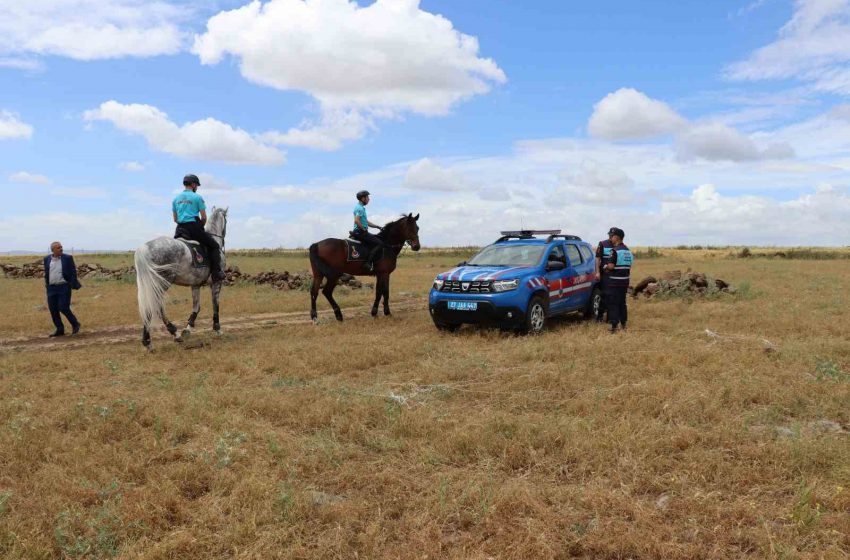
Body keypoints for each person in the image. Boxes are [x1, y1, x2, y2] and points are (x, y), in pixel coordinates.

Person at [172, 174, 226, 281]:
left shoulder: (176, 199)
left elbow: (175, 219)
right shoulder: (197, 197)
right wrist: (200, 226)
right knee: (214, 246)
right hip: (193, 227)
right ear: (193, 184)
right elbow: (204, 217)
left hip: (179, 229)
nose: (196, 187)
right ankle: (216, 273)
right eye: (196, 185)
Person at [43, 241, 81, 337]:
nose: (61, 249)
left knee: (63, 307)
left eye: (61, 247)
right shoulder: (46, 259)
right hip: (51, 287)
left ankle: (75, 324)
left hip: (64, 286)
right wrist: (47, 285)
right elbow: (47, 272)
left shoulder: (67, 258)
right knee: (53, 309)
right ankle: (60, 329)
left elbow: (73, 272)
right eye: (58, 248)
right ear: (53, 250)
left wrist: (72, 284)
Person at [602, 227, 633, 333]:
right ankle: (624, 324)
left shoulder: (614, 251)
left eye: (611, 236)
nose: (610, 239)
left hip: (614, 282)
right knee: (622, 303)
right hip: (625, 281)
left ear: (617, 237)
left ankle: (614, 326)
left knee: (613, 303)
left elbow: (611, 266)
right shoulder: (628, 251)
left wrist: (605, 266)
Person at [351, 190, 384, 271]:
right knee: (379, 243)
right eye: (367, 197)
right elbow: (357, 221)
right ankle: (368, 263)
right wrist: (363, 229)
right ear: (363, 198)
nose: (369, 199)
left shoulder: (360, 208)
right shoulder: (360, 208)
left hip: (360, 230)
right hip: (360, 231)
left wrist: (377, 226)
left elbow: (366, 222)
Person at [595, 228, 615, 323]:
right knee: (605, 295)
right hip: (605, 274)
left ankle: (610, 318)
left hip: (615, 275)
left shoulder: (618, 245)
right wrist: (597, 272)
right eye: (610, 235)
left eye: (612, 235)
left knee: (613, 296)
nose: (610, 237)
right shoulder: (603, 244)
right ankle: (599, 317)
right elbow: (598, 259)